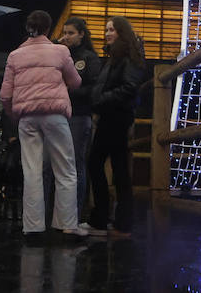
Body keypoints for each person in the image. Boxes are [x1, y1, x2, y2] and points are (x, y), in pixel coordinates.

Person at [0, 9, 86, 239]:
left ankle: (33, 227)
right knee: (65, 169)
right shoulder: (60, 51)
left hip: (27, 118)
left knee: (32, 171)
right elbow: (76, 82)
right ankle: (67, 225)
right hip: (54, 116)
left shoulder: (14, 55)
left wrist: (15, 114)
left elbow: (5, 95)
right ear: (49, 29)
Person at [86, 15, 148, 238]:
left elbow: (129, 87)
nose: (107, 33)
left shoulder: (128, 57)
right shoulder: (115, 56)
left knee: (97, 163)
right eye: (106, 30)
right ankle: (118, 222)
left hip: (116, 116)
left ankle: (104, 219)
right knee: (118, 168)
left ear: (122, 32)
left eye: (111, 29)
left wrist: (101, 100)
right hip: (111, 116)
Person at [52, 16, 99, 226]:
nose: (67, 37)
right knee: (57, 165)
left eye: (71, 33)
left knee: (75, 164)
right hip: (57, 115)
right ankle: (58, 214)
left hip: (79, 115)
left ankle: (76, 214)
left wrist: (72, 91)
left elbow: (94, 89)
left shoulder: (89, 58)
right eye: (65, 32)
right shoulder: (59, 54)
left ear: (81, 34)